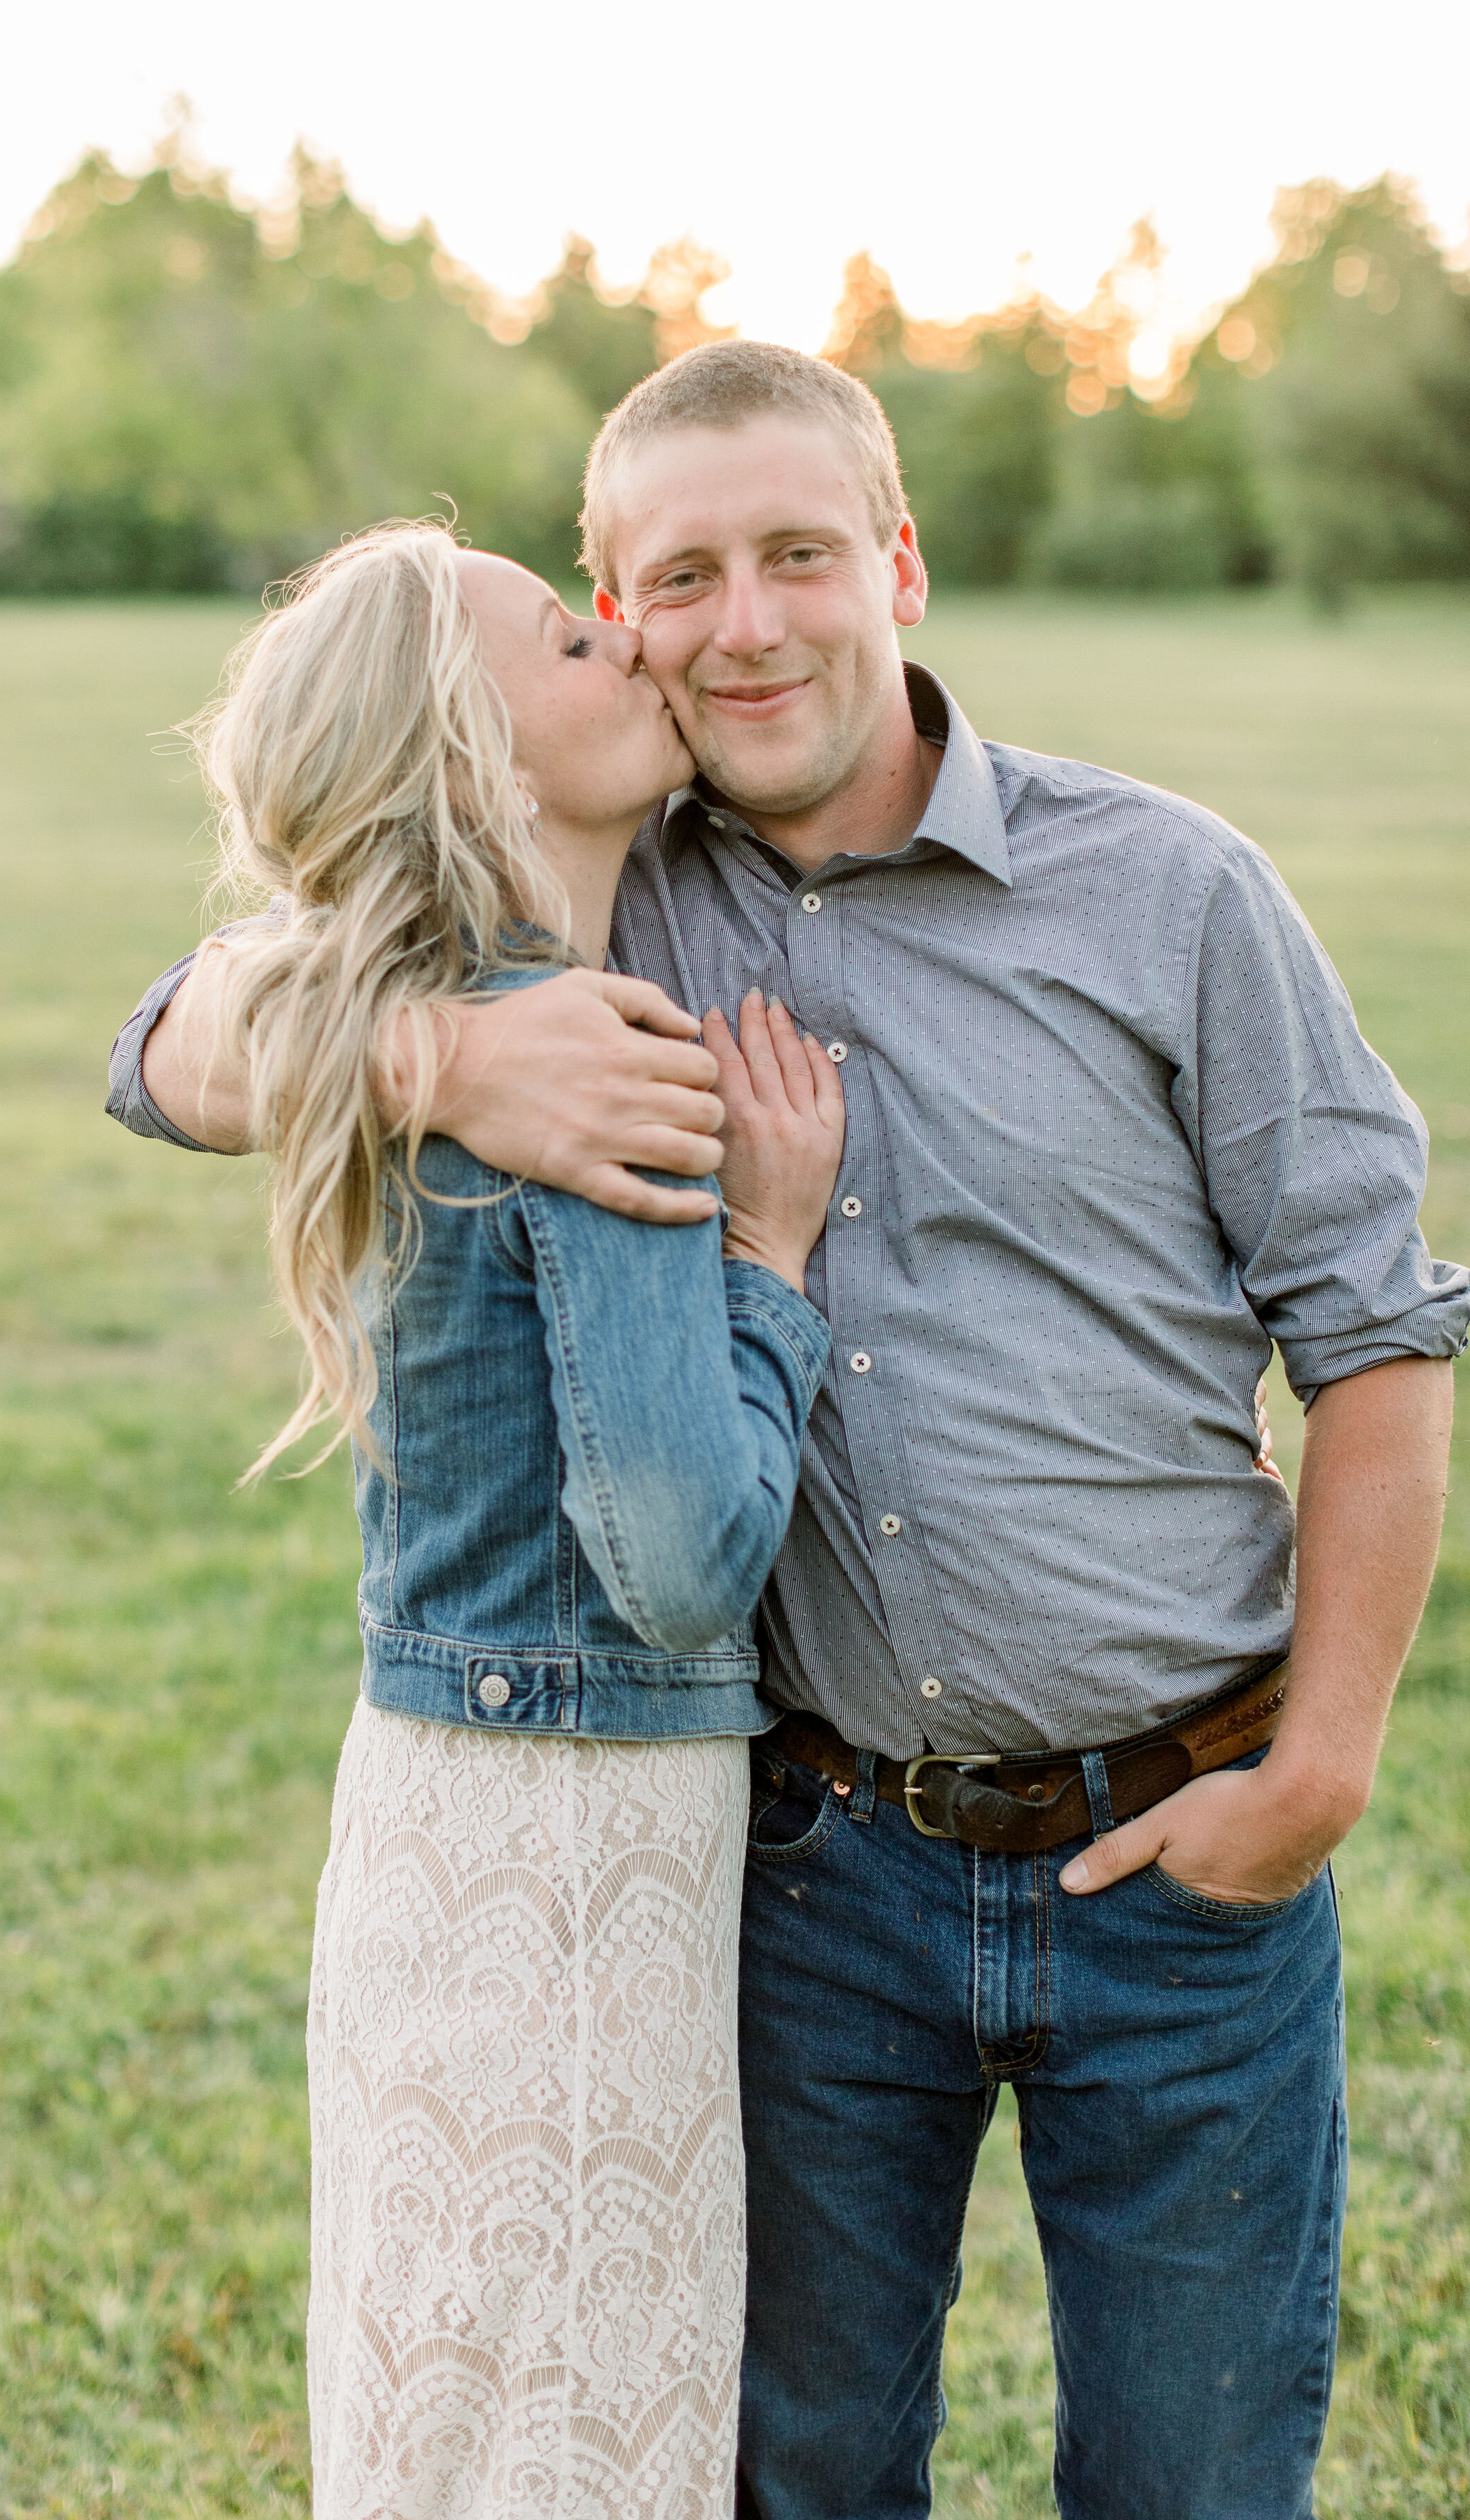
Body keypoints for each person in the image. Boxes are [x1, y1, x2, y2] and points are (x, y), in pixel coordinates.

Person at [111, 346, 1468, 2520]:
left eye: (799, 556)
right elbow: (164, 1037)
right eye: (679, 578)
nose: (745, 625)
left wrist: (1321, 1765)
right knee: (805, 2472)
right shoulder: (592, 885)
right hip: (815, 1873)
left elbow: (1381, 1336)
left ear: (898, 562)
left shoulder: (1170, 893)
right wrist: (436, 1062)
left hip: (1186, 1845)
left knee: (1202, 2478)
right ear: (612, 608)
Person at [127, 521, 847, 2520]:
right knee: (566, 2421)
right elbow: (686, 1555)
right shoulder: (579, 1049)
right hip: (571, 1855)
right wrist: (774, 1265)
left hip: (436, 1814)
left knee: (446, 2399)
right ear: (472, 753)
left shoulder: (450, 1034)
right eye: (567, 634)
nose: (625, 643)